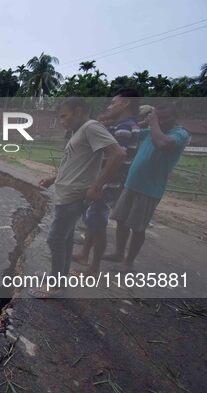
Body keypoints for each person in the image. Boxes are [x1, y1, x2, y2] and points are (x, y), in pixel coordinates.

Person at [29, 98, 126, 298]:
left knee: (55, 238)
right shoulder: (79, 132)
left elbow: (117, 154)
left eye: (64, 116)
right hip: (66, 193)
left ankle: (55, 285)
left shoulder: (91, 127)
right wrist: (53, 178)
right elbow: (75, 164)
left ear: (79, 110)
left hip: (74, 195)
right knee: (64, 238)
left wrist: (97, 185)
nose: (62, 121)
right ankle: (58, 278)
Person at [104, 102, 190, 271]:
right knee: (121, 220)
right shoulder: (151, 131)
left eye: (165, 118)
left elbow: (163, 144)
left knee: (137, 227)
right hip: (131, 184)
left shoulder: (179, 134)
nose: (162, 121)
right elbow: (131, 134)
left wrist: (154, 123)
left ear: (176, 118)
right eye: (159, 117)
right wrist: (139, 123)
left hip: (149, 190)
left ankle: (128, 262)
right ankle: (119, 253)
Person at [72, 89, 140, 274]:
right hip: (106, 182)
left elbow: (117, 158)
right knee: (92, 220)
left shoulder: (125, 128)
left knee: (98, 225)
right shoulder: (122, 125)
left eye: (113, 103)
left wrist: (97, 185)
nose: (110, 106)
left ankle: (94, 267)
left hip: (107, 184)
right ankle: (84, 254)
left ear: (125, 103)